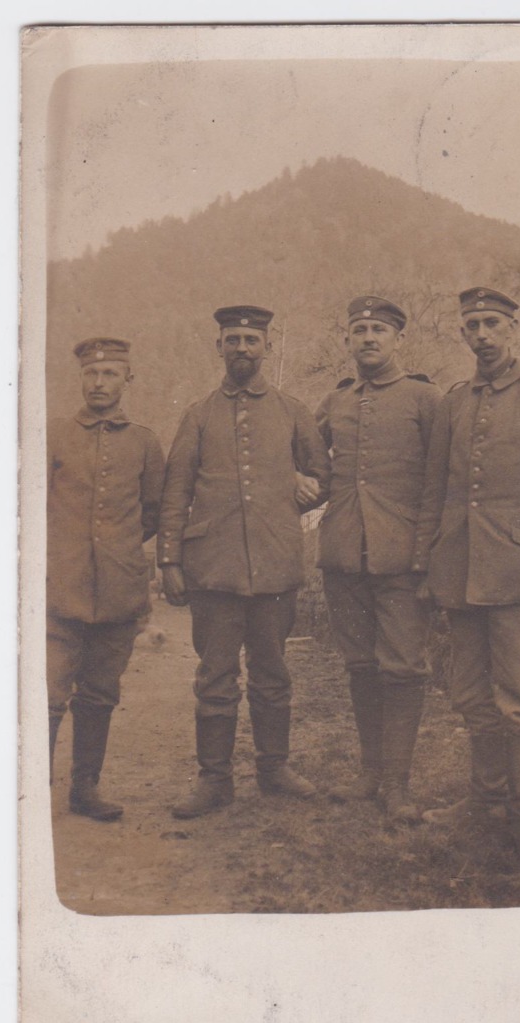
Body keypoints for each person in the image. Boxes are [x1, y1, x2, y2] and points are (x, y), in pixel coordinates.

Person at [413, 288, 520, 860]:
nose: (481, 334)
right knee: (469, 692)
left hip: (517, 575)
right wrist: (426, 566)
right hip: (459, 574)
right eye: (472, 325)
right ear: (462, 333)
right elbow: (436, 493)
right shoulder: (455, 402)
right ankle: (485, 801)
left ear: (513, 328)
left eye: (491, 323)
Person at [159, 305, 331, 819]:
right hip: (213, 570)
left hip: (276, 569)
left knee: (273, 674)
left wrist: (304, 493)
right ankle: (214, 781)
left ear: (266, 348)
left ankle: (274, 769)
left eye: (251, 340)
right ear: (218, 347)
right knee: (214, 677)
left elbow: (324, 474)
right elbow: (175, 492)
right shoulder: (197, 414)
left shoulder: (292, 410)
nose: (241, 349)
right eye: (232, 339)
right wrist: (169, 560)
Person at [316, 296, 442, 822]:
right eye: (359, 329)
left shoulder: (425, 399)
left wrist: (428, 555)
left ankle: (399, 784)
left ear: (398, 340)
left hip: (403, 558)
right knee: (361, 665)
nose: (368, 338)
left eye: (378, 330)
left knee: (404, 669)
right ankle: (370, 773)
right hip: (344, 556)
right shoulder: (336, 402)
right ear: (347, 339)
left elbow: (441, 483)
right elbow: (316, 471)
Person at [47, 337, 165, 820]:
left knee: (99, 693)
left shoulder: (144, 441)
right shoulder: (54, 434)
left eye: (110, 374)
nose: (100, 383)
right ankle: (27, 794)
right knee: (48, 692)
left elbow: (153, 512)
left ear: (127, 380)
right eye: (92, 374)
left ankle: (85, 790)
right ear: (81, 378)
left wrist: (115, 551)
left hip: (118, 591)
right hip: (58, 588)